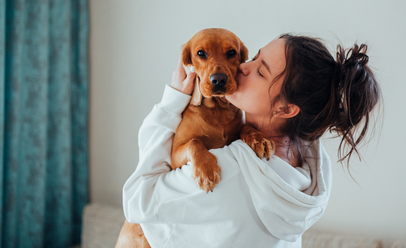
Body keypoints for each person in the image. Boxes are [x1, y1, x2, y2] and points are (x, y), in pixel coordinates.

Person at [122, 34, 382, 248]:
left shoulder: (228, 169)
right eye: (254, 57)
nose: (243, 67)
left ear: (286, 109)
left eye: (261, 72)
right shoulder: (313, 165)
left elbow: (136, 201)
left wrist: (170, 104)